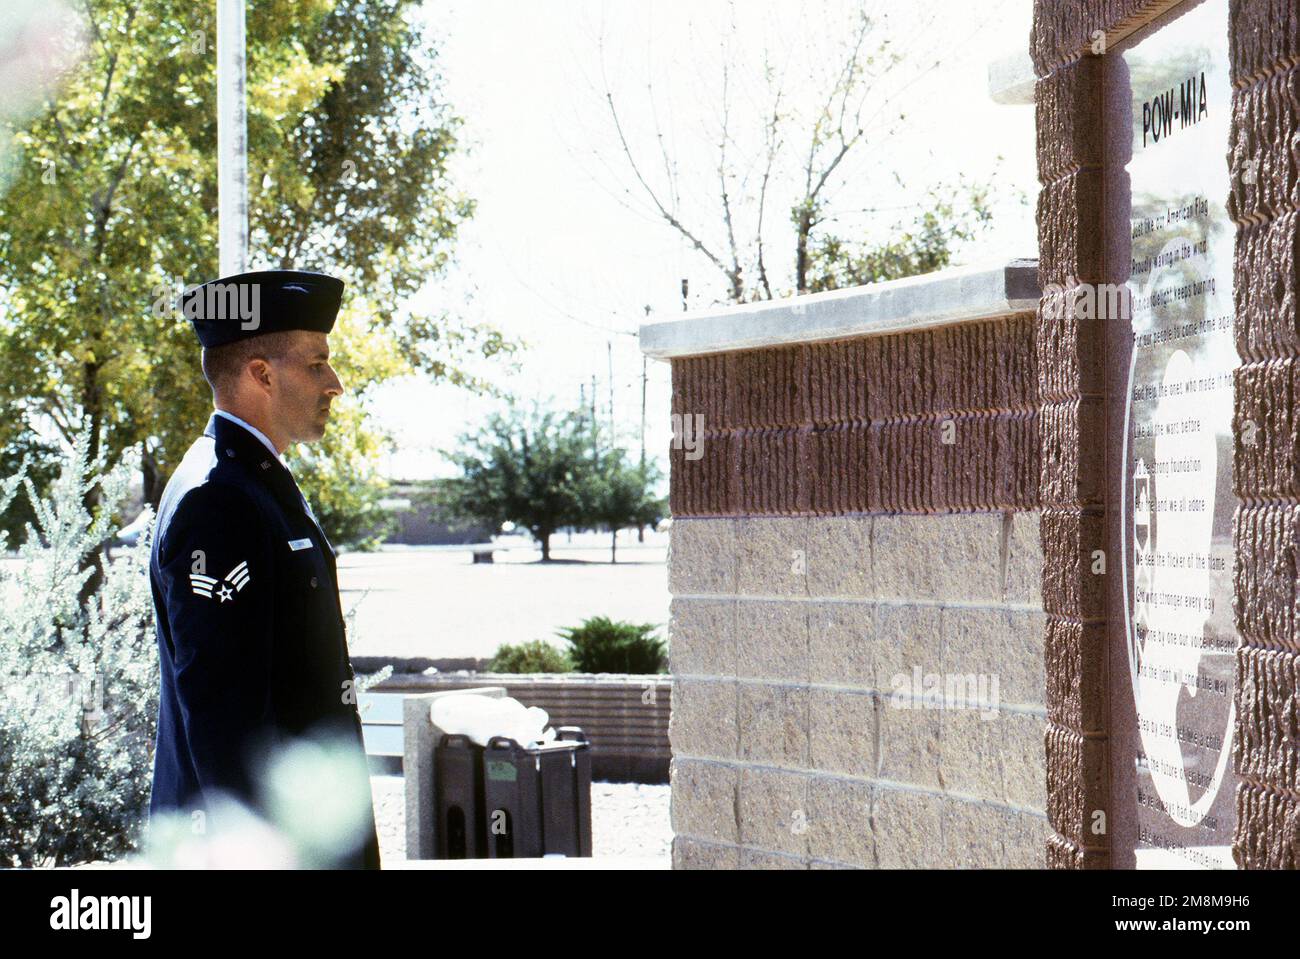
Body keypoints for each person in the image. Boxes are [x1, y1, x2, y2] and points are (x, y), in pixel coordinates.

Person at [147, 269, 381, 869]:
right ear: (262, 374)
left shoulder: (252, 480)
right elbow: (225, 723)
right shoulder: (219, 499)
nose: (336, 383)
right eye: (316, 363)